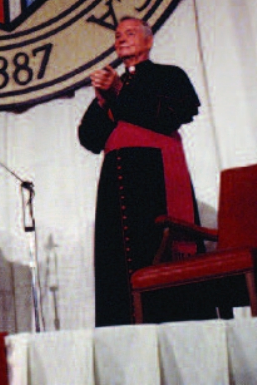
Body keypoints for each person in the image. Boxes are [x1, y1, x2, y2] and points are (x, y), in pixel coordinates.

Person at [78, 17, 201, 326]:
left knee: (156, 253)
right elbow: (89, 139)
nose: (121, 39)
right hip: (115, 186)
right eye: (117, 36)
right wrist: (104, 101)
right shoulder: (113, 86)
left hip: (153, 179)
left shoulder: (169, 75)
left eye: (130, 33)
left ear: (149, 41)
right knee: (116, 263)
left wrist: (119, 90)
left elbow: (170, 117)